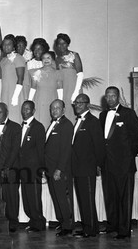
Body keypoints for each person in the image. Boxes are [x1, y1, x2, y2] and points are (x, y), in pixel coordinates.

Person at [99, 86, 138, 240]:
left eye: (113, 96)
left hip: (124, 165)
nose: (110, 99)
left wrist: (127, 158)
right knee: (110, 197)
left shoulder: (128, 114)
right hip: (107, 165)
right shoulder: (102, 115)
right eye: (108, 96)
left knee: (124, 198)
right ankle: (112, 225)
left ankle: (124, 230)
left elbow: (137, 139)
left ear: (118, 97)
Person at [71, 94, 105, 238]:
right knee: (82, 199)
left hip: (87, 167)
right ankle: (89, 226)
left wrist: (98, 165)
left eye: (80, 103)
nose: (77, 105)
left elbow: (99, 145)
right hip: (77, 167)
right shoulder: (78, 121)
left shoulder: (93, 122)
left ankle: (90, 229)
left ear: (87, 104)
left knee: (87, 199)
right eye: (76, 103)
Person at [0, 102, 21, 232]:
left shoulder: (15, 127)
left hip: (11, 169)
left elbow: (15, 150)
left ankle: (13, 223)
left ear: (6, 113)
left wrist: (7, 167)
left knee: (11, 196)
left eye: (0, 112)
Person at [45, 99, 74, 237]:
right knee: (56, 197)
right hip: (50, 169)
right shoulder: (53, 124)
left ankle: (68, 226)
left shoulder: (66, 125)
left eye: (57, 108)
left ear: (63, 110)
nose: (54, 110)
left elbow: (66, 149)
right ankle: (62, 222)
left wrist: (59, 169)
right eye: (52, 108)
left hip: (60, 170)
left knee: (63, 198)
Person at [18, 101, 46, 232]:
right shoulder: (20, 127)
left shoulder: (38, 127)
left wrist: (41, 169)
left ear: (33, 111)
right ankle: (33, 221)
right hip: (23, 170)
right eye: (23, 109)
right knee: (27, 197)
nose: (25, 111)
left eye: (28, 109)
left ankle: (39, 223)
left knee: (34, 197)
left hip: (34, 170)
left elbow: (41, 150)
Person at [28, 51, 63, 129]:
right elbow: (33, 88)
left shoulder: (58, 73)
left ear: (52, 60)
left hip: (52, 101)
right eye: (44, 58)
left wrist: (60, 103)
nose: (46, 60)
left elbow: (60, 89)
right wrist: (29, 102)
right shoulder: (36, 72)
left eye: (48, 58)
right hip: (40, 101)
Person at [54, 33, 83, 121]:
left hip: (73, 88)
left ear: (68, 44)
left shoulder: (74, 55)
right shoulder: (56, 59)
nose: (61, 46)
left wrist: (76, 92)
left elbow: (80, 74)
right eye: (59, 44)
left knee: (74, 113)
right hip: (63, 89)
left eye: (64, 43)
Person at [0, 34, 26, 122]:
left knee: (14, 117)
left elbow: (21, 78)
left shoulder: (18, 58)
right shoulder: (3, 60)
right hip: (5, 93)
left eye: (9, 44)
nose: (6, 46)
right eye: (4, 44)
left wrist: (15, 96)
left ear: (13, 46)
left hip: (14, 93)